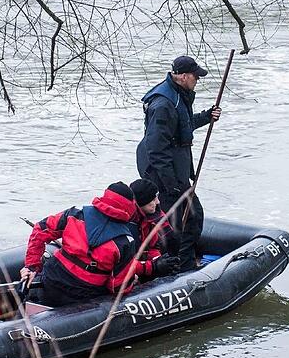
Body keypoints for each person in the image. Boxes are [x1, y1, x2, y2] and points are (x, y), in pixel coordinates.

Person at [19, 182, 179, 306]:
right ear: (130, 206)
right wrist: (145, 272)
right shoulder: (124, 241)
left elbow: (40, 230)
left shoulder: (76, 214)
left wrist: (32, 266)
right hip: (83, 294)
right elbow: (118, 287)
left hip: (51, 281)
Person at [136, 55, 222, 271]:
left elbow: (181, 126)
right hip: (163, 173)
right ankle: (176, 268)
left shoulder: (178, 95)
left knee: (193, 217)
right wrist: (171, 184)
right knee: (176, 223)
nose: (198, 80)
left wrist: (206, 116)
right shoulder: (163, 104)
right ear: (183, 76)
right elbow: (156, 149)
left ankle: (184, 263)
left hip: (175, 169)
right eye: (195, 76)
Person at [129, 178, 179, 278]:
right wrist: (153, 266)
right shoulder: (128, 225)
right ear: (143, 201)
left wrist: (160, 261)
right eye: (153, 199)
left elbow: (152, 246)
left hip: (141, 264)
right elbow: (123, 266)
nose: (158, 202)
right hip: (128, 270)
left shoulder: (149, 218)